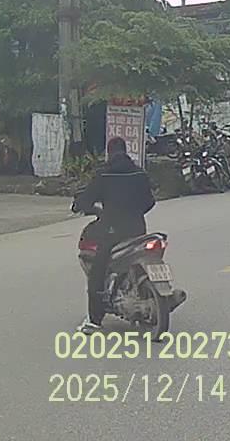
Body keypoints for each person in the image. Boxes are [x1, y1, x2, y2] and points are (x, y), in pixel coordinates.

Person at [74, 137, 156, 333]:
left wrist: (86, 207)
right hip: (138, 229)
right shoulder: (139, 173)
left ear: (109, 153)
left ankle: (94, 320)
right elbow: (150, 202)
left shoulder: (104, 174)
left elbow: (85, 200)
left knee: (97, 271)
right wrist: (134, 212)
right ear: (125, 151)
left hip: (113, 231)